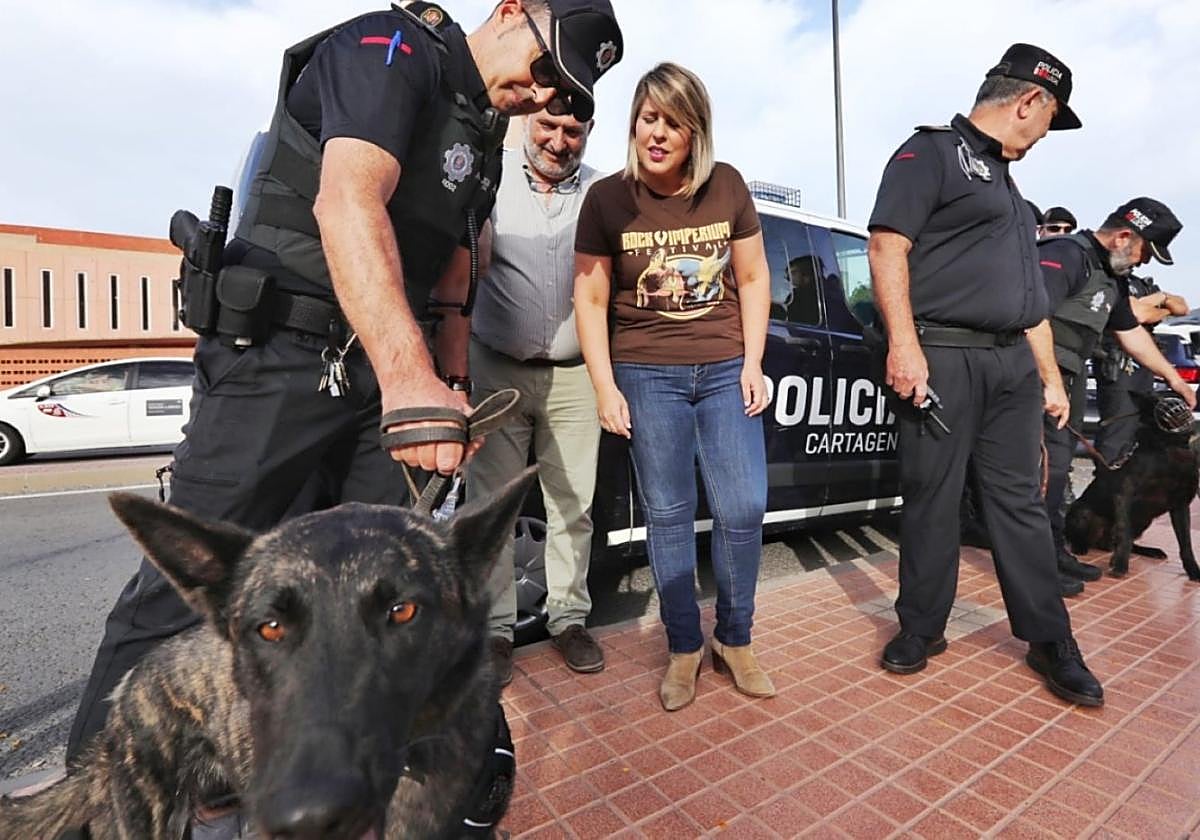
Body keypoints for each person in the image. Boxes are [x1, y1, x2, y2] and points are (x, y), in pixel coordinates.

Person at [67, 0, 624, 764]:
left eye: (559, 92)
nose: (538, 98)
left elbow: (459, 265)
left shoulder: (484, 128)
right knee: (191, 584)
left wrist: (451, 383)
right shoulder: (389, 47)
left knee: (356, 591)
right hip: (280, 358)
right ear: (511, 10)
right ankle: (94, 797)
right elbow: (349, 200)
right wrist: (410, 379)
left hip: (379, 382)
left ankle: (288, 764)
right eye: (541, 72)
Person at [867, 43, 1105, 707]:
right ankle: (920, 628)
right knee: (932, 497)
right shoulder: (932, 153)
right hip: (943, 356)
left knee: (1020, 504)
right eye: (1048, 119)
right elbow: (888, 244)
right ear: (1030, 100)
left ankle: (1050, 639)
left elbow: (1027, 299)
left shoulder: (1006, 183)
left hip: (1010, 369)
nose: (1042, 136)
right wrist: (904, 347)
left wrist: (1050, 378)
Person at [574, 62, 774, 712]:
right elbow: (593, 294)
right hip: (645, 371)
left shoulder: (727, 187)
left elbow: (752, 278)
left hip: (723, 367)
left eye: (673, 123)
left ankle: (735, 638)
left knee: (743, 506)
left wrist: (753, 361)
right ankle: (685, 645)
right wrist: (606, 386)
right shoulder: (607, 199)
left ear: (696, 133)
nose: (655, 134)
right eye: (647, 117)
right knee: (668, 515)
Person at [468, 111, 605, 685]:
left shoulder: (602, 192)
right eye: (548, 125)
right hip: (495, 367)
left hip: (575, 375)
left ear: (588, 133)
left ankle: (568, 618)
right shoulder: (486, 176)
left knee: (573, 505)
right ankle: (496, 633)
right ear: (527, 119)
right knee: (491, 507)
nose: (558, 141)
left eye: (572, 132)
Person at [1037, 198, 1193, 584]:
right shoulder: (1067, 253)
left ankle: (1051, 551)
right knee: (1036, 472)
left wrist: (1173, 379)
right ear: (1124, 236)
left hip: (1067, 376)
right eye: (1145, 252)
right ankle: (1033, 564)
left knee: (1057, 471)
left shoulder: (1112, 276)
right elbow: (1032, 316)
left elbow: (1131, 333)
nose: (1144, 263)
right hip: (1036, 376)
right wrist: (1050, 382)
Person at [1093, 273, 1190, 463]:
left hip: (1143, 364)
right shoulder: (1111, 280)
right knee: (1118, 425)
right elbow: (1138, 314)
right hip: (1118, 361)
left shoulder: (1140, 283)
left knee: (1140, 424)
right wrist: (1163, 306)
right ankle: (1107, 477)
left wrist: (1161, 298)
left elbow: (1183, 307)